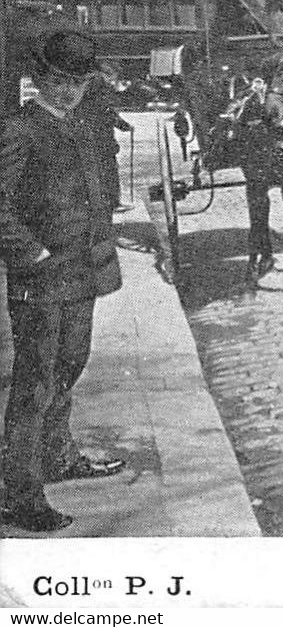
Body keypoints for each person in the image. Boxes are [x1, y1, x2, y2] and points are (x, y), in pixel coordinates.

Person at [0, 31, 127, 533]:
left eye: (78, 82)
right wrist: (28, 250)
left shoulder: (85, 126)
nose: (68, 91)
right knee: (34, 380)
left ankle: (57, 455)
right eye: (59, 81)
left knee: (71, 363)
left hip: (83, 271)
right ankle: (20, 491)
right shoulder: (19, 130)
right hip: (41, 276)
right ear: (39, 80)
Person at [77, 63, 134, 210]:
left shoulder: (87, 82)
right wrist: (124, 125)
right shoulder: (100, 83)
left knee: (92, 168)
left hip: (87, 131)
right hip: (101, 134)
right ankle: (113, 202)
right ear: (110, 74)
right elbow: (107, 110)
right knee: (108, 168)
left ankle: (96, 202)